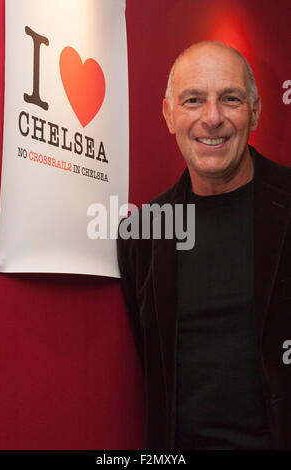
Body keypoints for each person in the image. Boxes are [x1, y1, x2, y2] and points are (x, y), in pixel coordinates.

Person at [117, 40, 291, 450]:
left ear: (255, 111)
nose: (212, 118)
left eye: (230, 99)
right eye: (193, 100)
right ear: (169, 115)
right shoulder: (142, 233)